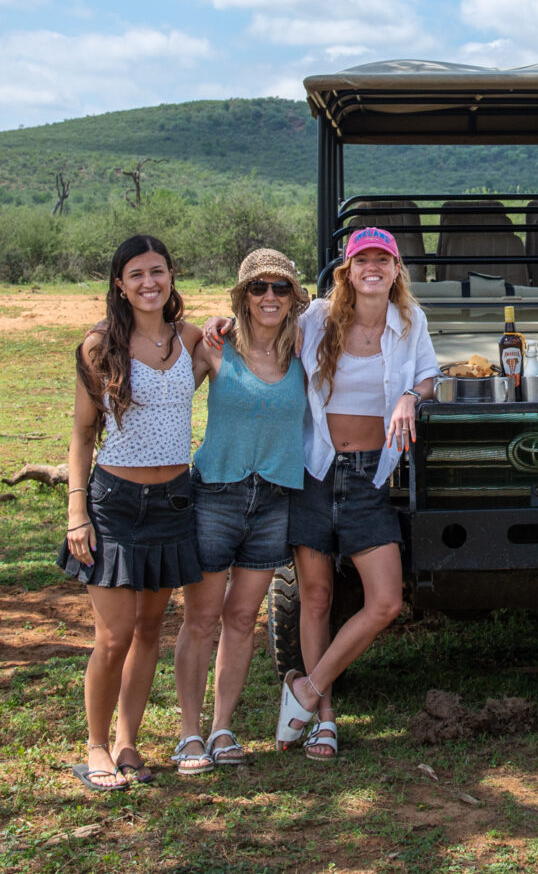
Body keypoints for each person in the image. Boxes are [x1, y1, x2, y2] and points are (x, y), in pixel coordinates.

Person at [207, 226, 438, 758]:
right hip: (314, 470)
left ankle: (307, 689)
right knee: (315, 597)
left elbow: (427, 375)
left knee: (385, 601)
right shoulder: (315, 319)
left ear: (396, 270)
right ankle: (325, 718)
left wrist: (409, 396)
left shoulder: (410, 322)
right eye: (363, 260)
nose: (372, 268)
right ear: (348, 270)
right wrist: (223, 324)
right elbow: (263, 333)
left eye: (383, 259)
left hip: (368, 477)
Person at [60, 235, 205, 791]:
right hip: (115, 504)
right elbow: (81, 434)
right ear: (119, 284)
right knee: (114, 636)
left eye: (159, 272)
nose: (150, 283)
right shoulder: (100, 346)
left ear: (172, 276)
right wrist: (78, 514)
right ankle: (95, 746)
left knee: (149, 630)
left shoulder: (190, 339)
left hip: (174, 500)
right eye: (137, 274)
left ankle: (127, 742)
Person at [171, 248, 311, 775]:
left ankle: (223, 726)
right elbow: (166, 393)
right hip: (216, 495)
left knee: (241, 618)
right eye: (259, 288)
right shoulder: (215, 346)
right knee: (202, 617)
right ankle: (188, 732)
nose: (269, 297)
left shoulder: (304, 347)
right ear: (242, 296)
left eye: (280, 288)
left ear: (293, 297)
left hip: (274, 499)